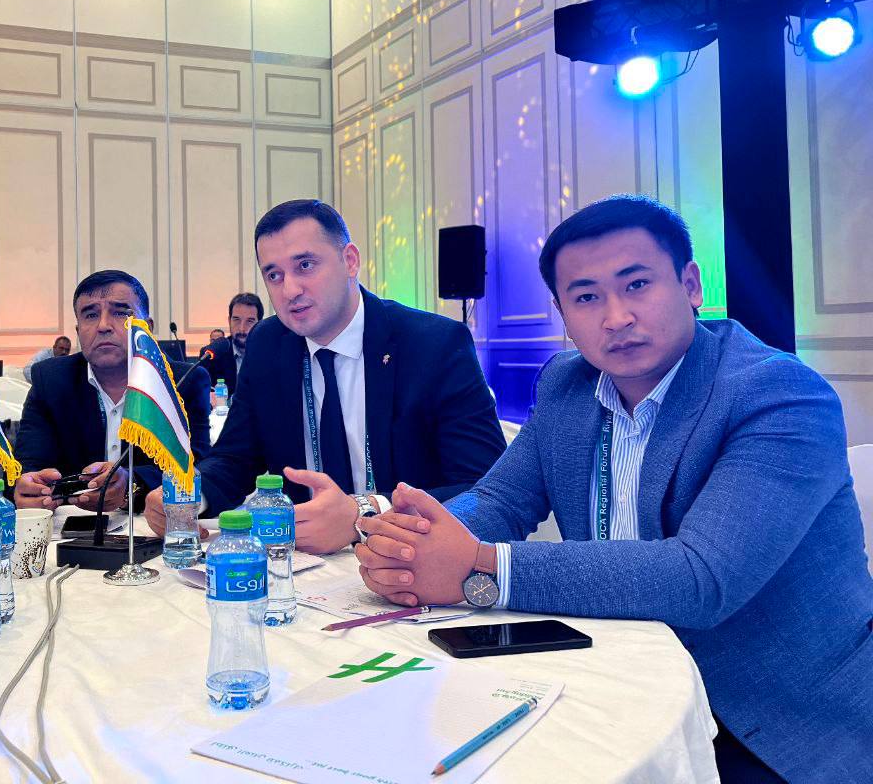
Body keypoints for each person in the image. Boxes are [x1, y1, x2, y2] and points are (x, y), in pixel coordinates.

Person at [355, 195, 873, 784]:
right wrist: (410, 540)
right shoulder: (567, 384)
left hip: (771, 719)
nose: (616, 317)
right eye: (586, 297)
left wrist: (481, 566)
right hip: (609, 678)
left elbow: (702, 578)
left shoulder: (778, 394)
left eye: (637, 285)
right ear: (562, 313)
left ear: (690, 285)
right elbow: (501, 500)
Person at [146, 199, 506, 554]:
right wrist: (190, 495)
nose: (289, 290)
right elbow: (235, 459)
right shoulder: (268, 344)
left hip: (409, 560)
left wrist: (365, 513)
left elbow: (489, 490)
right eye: (274, 275)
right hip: (304, 565)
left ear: (350, 261)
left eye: (305, 265)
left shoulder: (433, 345)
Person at [15, 270, 211, 511]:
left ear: (147, 328)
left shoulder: (183, 382)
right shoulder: (51, 380)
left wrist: (131, 484)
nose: (103, 326)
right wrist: (29, 488)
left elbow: (198, 467)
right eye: (90, 315)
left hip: (150, 523)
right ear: (78, 330)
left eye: (120, 313)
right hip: (70, 522)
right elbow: (28, 466)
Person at [199, 292, 262, 398]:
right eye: (236, 320)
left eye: (250, 321)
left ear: (260, 323)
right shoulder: (211, 355)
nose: (242, 328)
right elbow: (202, 396)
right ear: (229, 321)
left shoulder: (271, 353)